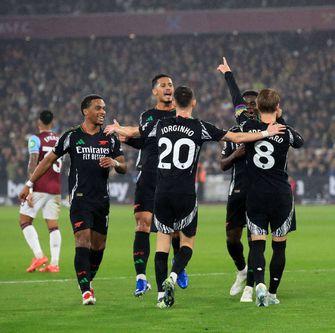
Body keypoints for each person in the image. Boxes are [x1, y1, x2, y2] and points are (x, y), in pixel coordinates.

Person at [104, 85, 285, 309]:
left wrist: (118, 128)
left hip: (161, 192)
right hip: (186, 193)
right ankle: (174, 274)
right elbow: (236, 135)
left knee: (162, 243)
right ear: (194, 103)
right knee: (187, 242)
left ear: (175, 105)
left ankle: (161, 296)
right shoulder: (199, 127)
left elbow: (134, 132)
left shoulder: (160, 124)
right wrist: (267, 132)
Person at [19, 95, 127, 305]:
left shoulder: (110, 138)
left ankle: (87, 279)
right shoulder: (71, 136)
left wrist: (114, 162)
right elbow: (48, 160)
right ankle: (86, 291)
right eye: (98, 108)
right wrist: (29, 184)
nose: (103, 112)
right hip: (79, 199)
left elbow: (124, 167)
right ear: (85, 111)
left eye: (104, 108)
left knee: (98, 246)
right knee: (82, 240)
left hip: (101, 200)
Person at [218, 57, 304, 307]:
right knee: (279, 247)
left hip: (254, 194)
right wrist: (281, 120)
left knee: (256, 245)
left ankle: (259, 284)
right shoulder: (285, 131)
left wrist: (228, 75)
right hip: (280, 194)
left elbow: (236, 103)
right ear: (277, 107)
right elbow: (299, 142)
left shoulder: (248, 126)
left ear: (256, 106)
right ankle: (273, 293)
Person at [121, 74, 188, 297]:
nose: (168, 88)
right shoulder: (147, 115)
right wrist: (127, 138)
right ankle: (141, 278)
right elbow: (144, 139)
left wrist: (128, 132)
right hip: (148, 176)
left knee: (176, 230)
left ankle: (179, 267)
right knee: (143, 224)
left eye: (170, 85)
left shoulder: (182, 114)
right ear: (155, 92)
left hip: (172, 177)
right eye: (163, 85)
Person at [220, 89, 259, 302]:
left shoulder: (265, 131)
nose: (251, 108)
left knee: (255, 239)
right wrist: (236, 154)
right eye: (247, 105)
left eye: (254, 104)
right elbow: (222, 165)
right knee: (232, 238)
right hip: (236, 193)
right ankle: (242, 270)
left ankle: (250, 286)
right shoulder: (233, 134)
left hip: (258, 193)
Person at [19, 110, 63, 273]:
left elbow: (33, 163)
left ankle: (38, 256)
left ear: (39, 122)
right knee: (53, 226)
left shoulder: (35, 139)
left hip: (40, 187)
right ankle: (54, 263)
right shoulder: (59, 139)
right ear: (52, 122)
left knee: (24, 221)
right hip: (56, 187)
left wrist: (30, 187)